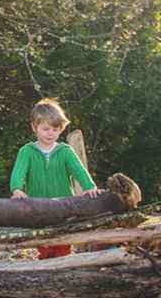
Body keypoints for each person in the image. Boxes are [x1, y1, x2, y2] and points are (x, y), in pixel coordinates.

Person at [10, 98, 102, 259]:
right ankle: (46, 266)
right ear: (34, 127)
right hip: (38, 208)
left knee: (63, 245)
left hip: (64, 208)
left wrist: (89, 187)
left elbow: (79, 171)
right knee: (44, 244)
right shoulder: (27, 152)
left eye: (55, 129)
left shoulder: (65, 151)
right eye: (45, 129)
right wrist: (17, 189)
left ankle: (61, 266)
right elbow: (18, 172)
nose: (50, 133)